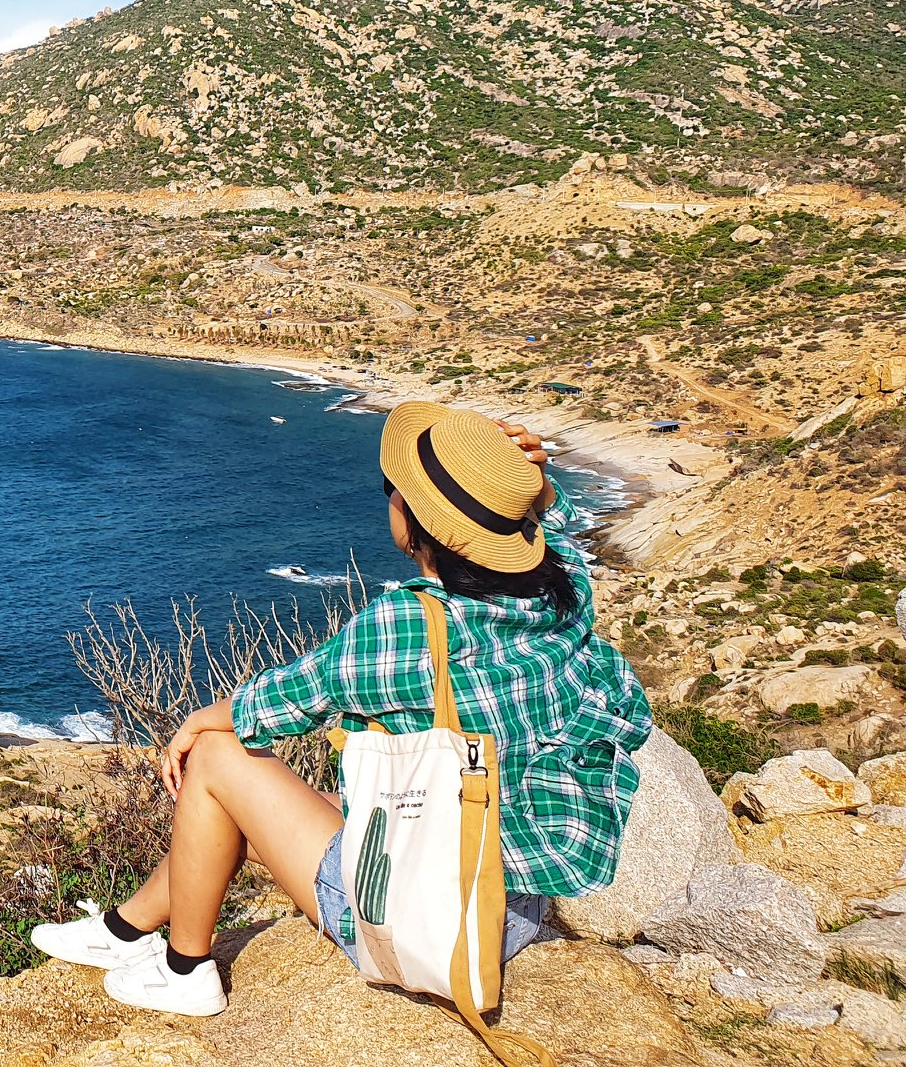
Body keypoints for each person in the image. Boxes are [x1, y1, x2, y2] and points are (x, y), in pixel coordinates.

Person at [32, 403, 653, 1017]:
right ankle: (123, 928)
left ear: (413, 522)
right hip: (515, 897)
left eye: (394, 493)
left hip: (430, 921)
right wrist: (533, 489)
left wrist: (197, 723)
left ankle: (185, 970)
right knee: (257, 805)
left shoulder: (412, 624)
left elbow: (285, 700)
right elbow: (556, 528)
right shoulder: (563, 585)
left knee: (220, 757)